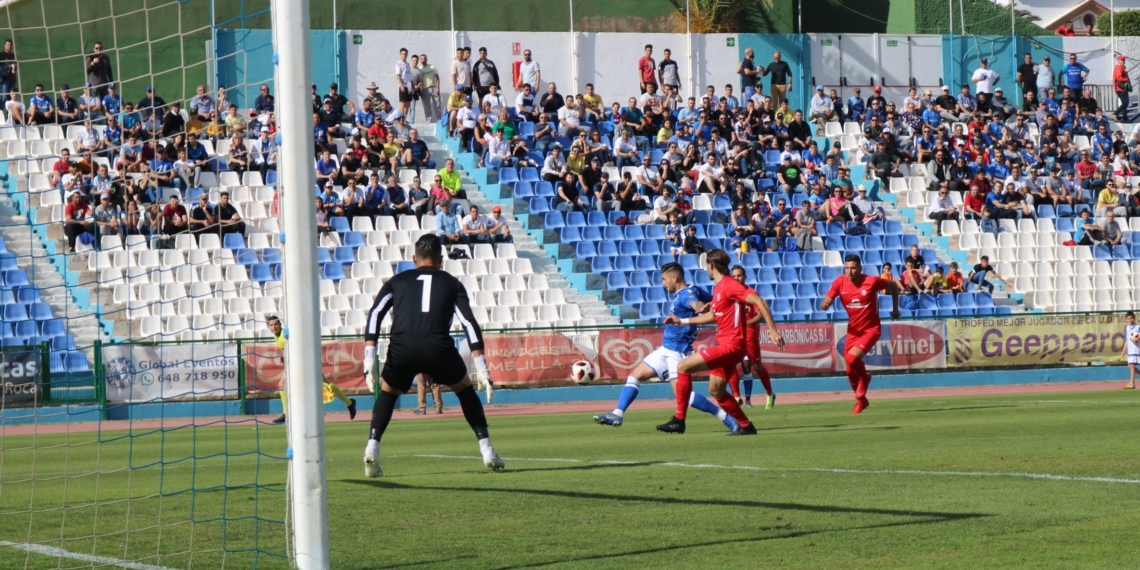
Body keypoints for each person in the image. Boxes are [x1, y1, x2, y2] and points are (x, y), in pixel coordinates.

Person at [361, 234, 503, 477]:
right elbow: (468, 322)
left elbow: (375, 314)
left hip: (402, 348)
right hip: (439, 348)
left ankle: (372, 447)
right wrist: (482, 366)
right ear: (441, 259)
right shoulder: (452, 283)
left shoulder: (396, 280)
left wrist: (369, 356)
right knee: (465, 391)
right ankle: (487, 449)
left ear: (414, 258)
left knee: (388, 392)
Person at [594, 262, 741, 431]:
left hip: (677, 353)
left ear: (674, 278)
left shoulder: (686, 294)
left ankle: (726, 418)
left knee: (685, 396)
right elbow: (712, 300)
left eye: (664, 279)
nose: (663, 283)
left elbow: (695, 304)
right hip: (665, 349)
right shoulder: (692, 289)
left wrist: (701, 308)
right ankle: (617, 414)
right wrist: (710, 306)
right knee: (634, 376)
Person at [658, 249, 785, 435]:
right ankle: (745, 426)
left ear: (710, 265)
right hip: (726, 345)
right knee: (716, 389)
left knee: (683, 366)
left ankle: (679, 419)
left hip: (732, 345)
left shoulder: (729, 285)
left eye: (706, 266)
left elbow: (760, 301)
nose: (705, 270)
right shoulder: (718, 288)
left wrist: (773, 330)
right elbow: (713, 316)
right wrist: (682, 321)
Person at [820, 254, 901, 414]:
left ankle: (865, 377)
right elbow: (824, 304)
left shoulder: (871, 281)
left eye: (853, 268)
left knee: (851, 358)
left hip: (871, 329)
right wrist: (825, 304)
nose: (849, 271)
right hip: (853, 331)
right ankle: (861, 401)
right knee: (850, 370)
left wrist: (895, 309)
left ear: (860, 269)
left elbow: (893, 287)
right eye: (847, 268)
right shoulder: (839, 282)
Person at [267, 315, 356, 425]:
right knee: (282, 384)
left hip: (308, 361)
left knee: (325, 385)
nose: (274, 326)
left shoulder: (285, 333)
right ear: (268, 327)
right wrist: (285, 357)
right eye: (271, 325)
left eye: (276, 324)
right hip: (296, 363)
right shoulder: (277, 336)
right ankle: (286, 414)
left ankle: (349, 403)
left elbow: (299, 344)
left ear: (280, 324)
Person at [729, 266, 776, 409]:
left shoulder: (751, 293)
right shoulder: (730, 293)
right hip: (734, 335)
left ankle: (770, 393)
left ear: (745, 277)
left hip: (750, 335)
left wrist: (747, 323)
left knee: (756, 366)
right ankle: (737, 397)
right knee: (730, 364)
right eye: (734, 276)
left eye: (740, 276)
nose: (737, 279)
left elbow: (761, 314)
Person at [1122, 311, 1140, 390]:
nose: (1130, 320)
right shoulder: (1127, 328)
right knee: (1129, 366)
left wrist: (1136, 339)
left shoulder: (1137, 327)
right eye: (1128, 318)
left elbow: (1138, 337)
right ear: (1126, 319)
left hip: (1136, 348)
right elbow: (1127, 340)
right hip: (1130, 349)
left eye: (1131, 318)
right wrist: (1123, 351)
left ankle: (1132, 383)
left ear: (1134, 318)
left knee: (1132, 365)